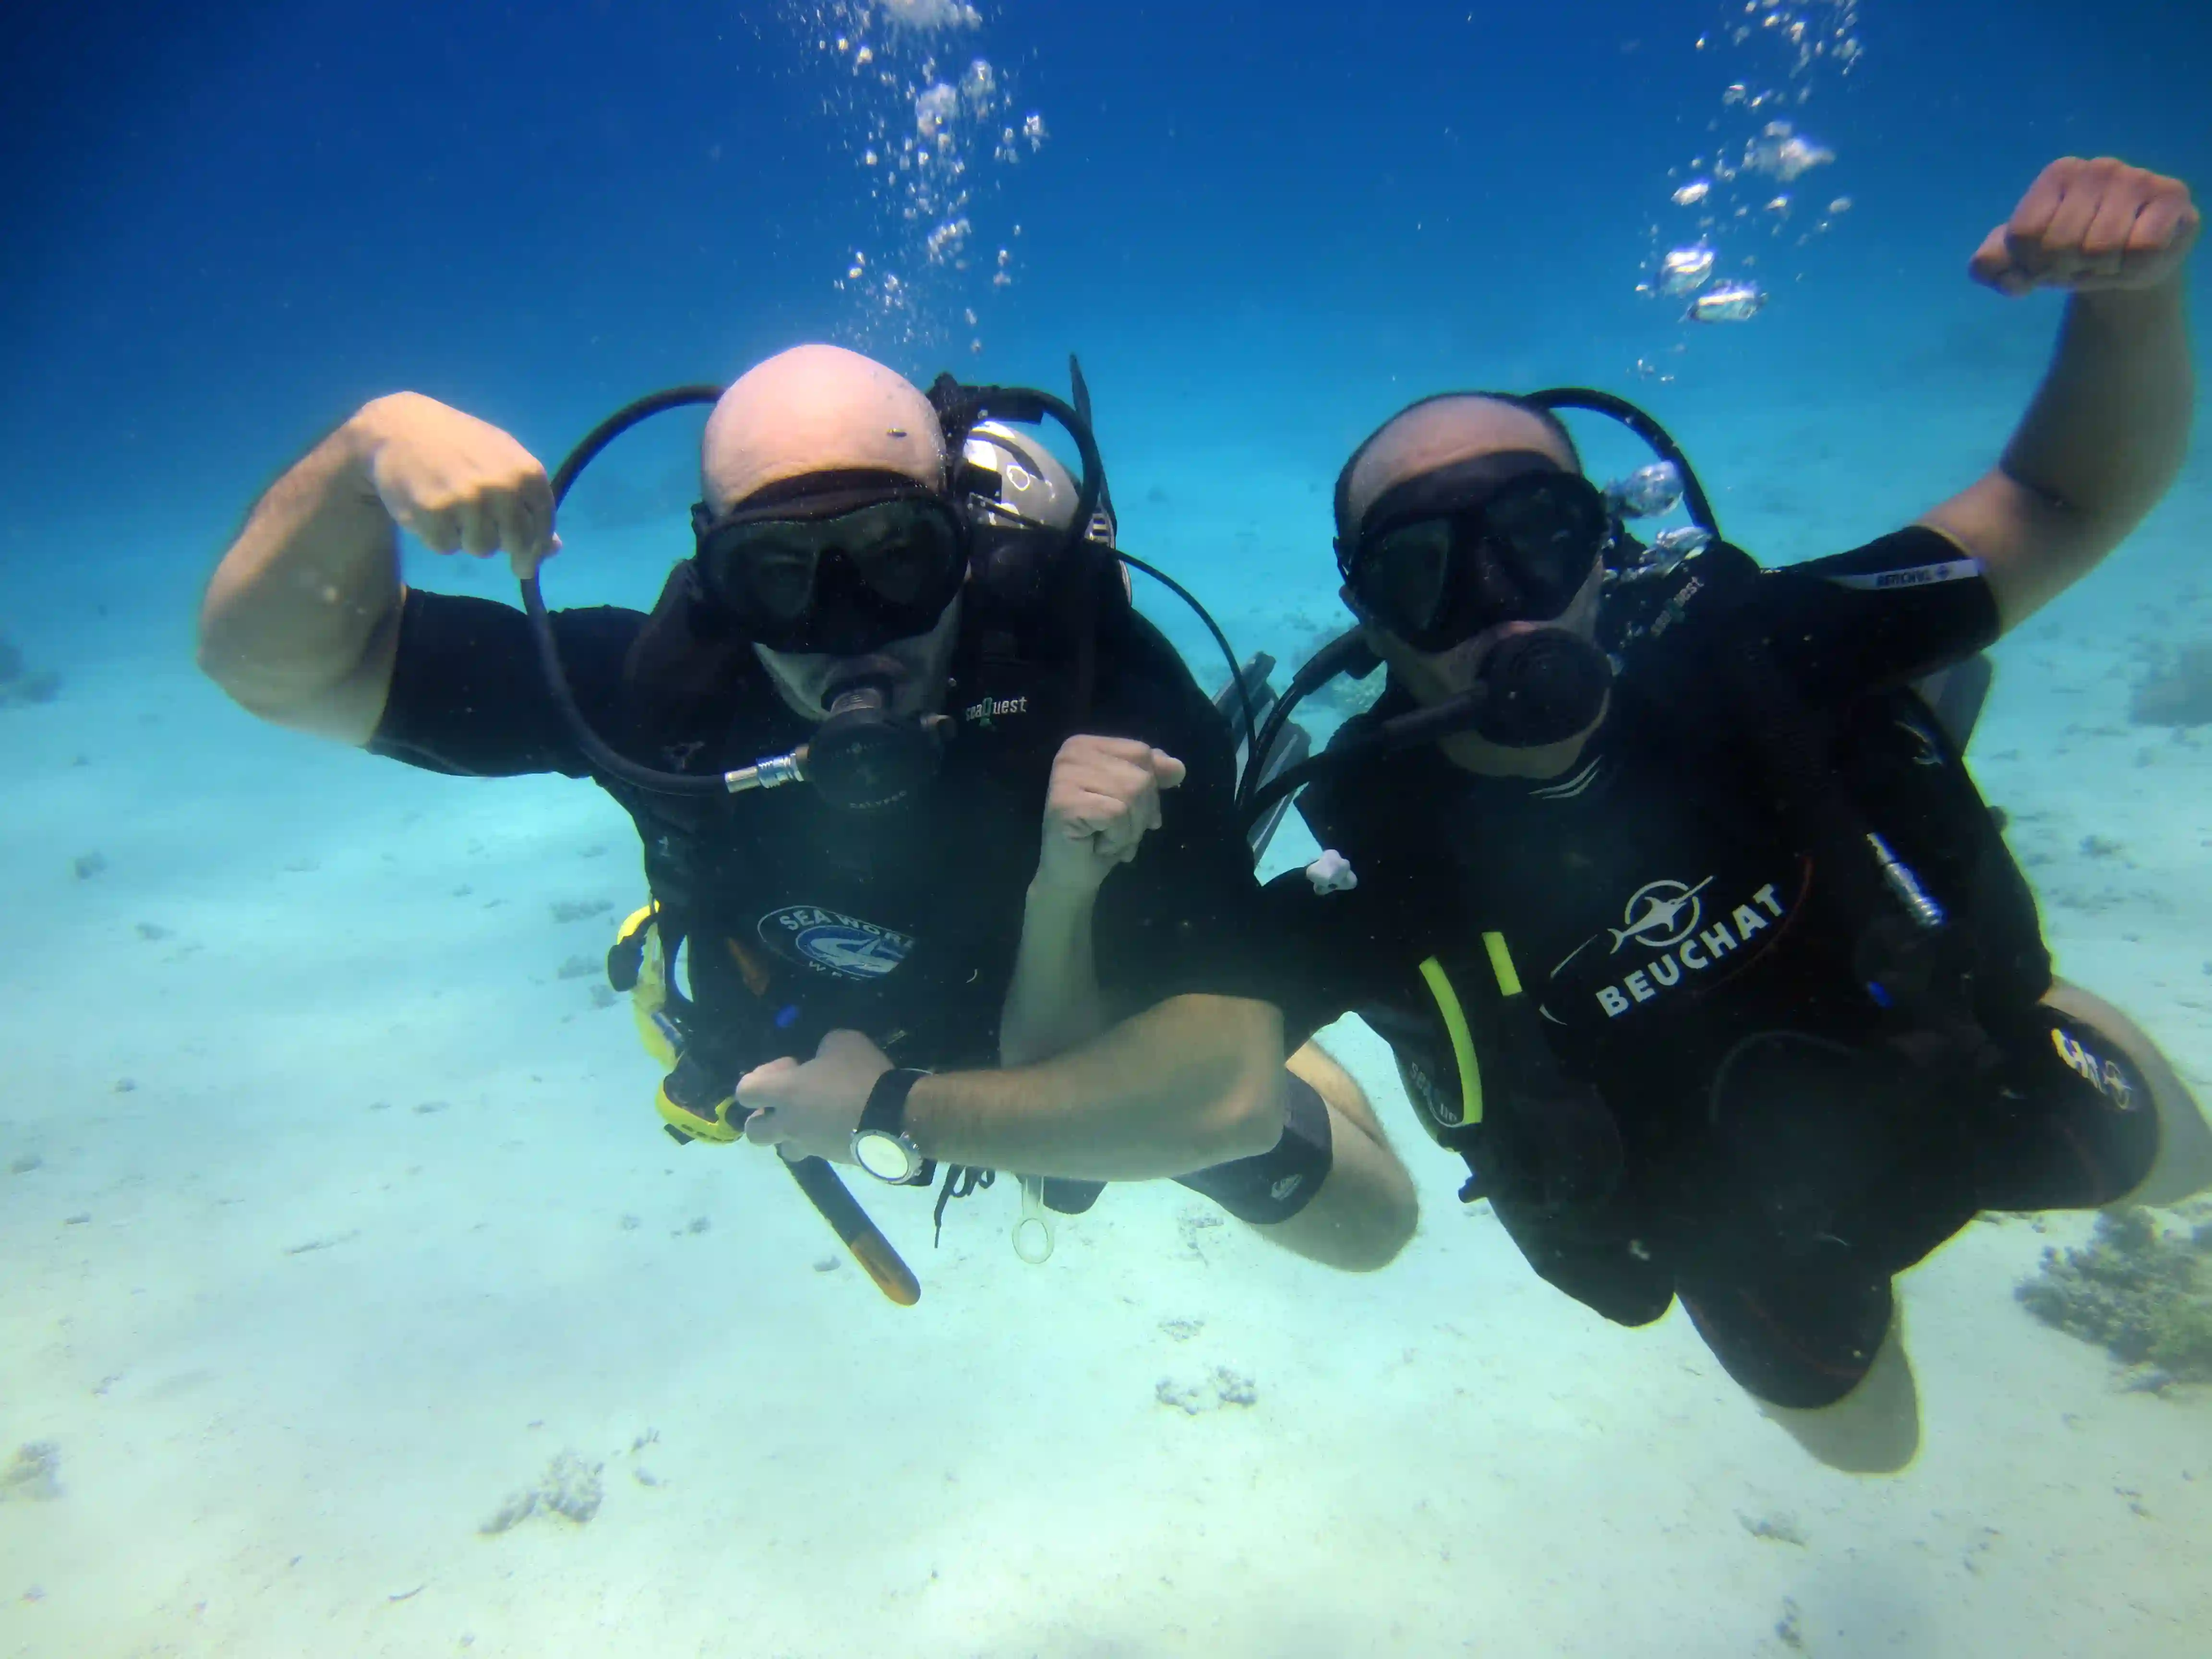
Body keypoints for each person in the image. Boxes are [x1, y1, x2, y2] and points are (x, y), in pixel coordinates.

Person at [1250, 156, 2210, 1469]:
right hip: (1735, 1228)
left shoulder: (1754, 649)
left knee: (2187, 1160)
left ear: (1607, 546)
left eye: (1538, 536)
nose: (1503, 604)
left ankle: (1923, 751)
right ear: (1372, 617)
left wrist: (2131, 308)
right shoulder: (1386, 854)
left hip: (1971, 1074)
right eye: (1426, 570)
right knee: (1872, 1453)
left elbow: (2060, 500)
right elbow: (1189, 1040)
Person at [198, 343, 1414, 1281]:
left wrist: (892, 1112)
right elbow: (272, 667)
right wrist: (363, 455)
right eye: (780, 575)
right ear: (715, 575)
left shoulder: (1098, 695)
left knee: (1367, 1224)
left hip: (1082, 1031)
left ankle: (1237, 1005)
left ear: (963, 550)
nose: (850, 632)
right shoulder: (661, 702)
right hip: (832, 1040)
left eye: (896, 559)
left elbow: (1223, 1097)